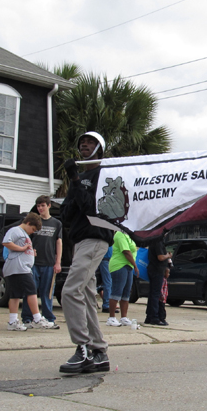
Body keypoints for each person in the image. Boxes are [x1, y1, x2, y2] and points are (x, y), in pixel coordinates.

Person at [59, 131, 115, 375]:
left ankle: (82, 348)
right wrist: (75, 182)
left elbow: (93, 209)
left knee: (71, 291)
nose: (84, 144)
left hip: (95, 239)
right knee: (88, 296)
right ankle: (99, 351)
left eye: (91, 142)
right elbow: (67, 214)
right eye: (82, 141)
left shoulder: (105, 175)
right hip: (81, 241)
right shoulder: (79, 177)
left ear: (99, 149)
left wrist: (75, 180)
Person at [2, 213, 55, 331]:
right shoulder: (16, 230)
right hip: (19, 267)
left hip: (21, 267)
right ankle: (37, 318)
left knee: (15, 294)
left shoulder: (24, 234)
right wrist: (22, 249)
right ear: (28, 223)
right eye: (33, 229)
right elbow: (6, 242)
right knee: (31, 290)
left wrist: (30, 252)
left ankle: (12, 321)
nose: (32, 232)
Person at [22, 195, 63, 328]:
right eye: (38, 206)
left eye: (42, 206)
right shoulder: (34, 221)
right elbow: (25, 237)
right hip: (33, 262)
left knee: (48, 292)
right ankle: (28, 318)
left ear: (48, 206)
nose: (40, 208)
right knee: (30, 290)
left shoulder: (56, 223)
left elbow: (59, 242)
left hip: (49, 263)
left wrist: (58, 262)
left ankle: (48, 317)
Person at [106, 230, 138, 327]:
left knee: (126, 293)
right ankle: (111, 318)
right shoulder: (120, 235)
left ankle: (124, 317)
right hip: (119, 265)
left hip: (128, 266)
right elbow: (126, 251)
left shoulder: (129, 236)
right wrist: (135, 266)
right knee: (117, 291)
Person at [145, 237, 172, 326]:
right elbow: (160, 257)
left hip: (153, 269)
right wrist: (168, 256)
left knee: (152, 293)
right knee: (156, 294)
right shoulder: (158, 242)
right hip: (157, 270)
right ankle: (155, 317)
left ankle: (149, 316)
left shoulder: (153, 241)